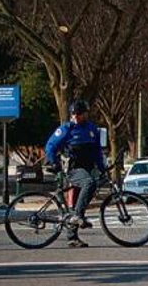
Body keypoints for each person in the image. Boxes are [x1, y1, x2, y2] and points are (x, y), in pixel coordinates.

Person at [44, 98, 106, 248]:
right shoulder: (67, 129)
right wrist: (53, 162)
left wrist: (102, 168)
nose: (75, 117)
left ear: (85, 114)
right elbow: (50, 146)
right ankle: (78, 216)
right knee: (89, 183)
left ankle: (72, 237)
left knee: (82, 199)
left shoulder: (92, 129)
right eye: (73, 114)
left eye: (79, 114)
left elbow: (97, 151)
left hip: (87, 168)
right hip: (73, 169)